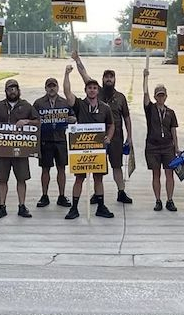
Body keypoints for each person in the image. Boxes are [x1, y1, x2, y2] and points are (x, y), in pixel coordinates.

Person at [74, 52, 134, 204]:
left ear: (114, 80)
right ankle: (97, 194)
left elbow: (126, 117)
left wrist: (130, 136)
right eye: (106, 77)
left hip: (116, 137)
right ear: (102, 79)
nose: (108, 79)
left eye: (111, 77)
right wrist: (77, 59)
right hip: (95, 137)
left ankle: (121, 192)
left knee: (116, 165)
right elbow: (84, 74)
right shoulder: (96, 91)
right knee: (96, 167)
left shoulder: (120, 97)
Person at [63, 65, 115, 219]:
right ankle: (74, 208)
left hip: (98, 149)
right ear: (86, 90)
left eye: (94, 88)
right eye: (89, 88)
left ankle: (100, 206)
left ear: (98, 91)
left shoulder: (105, 108)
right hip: (81, 150)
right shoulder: (80, 104)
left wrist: (109, 137)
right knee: (79, 178)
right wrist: (66, 74)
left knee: (98, 178)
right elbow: (67, 93)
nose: (92, 90)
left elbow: (111, 124)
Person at [0, 79, 39, 219]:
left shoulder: (27, 106)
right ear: (5, 91)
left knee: (21, 179)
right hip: (3, 150)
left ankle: (22, 206)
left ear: (19, 90)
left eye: (14, 88)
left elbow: (38, 121)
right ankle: (2, 206)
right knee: (2, 179)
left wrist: (27, 121)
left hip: (21, 149)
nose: (12, 91)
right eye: (9, 89)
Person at [142, 66, 179, 211]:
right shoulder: (150, 109)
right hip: (153, 146)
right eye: (158, 95)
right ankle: (158, 200)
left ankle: (170, 200)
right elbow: (145, 95)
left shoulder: (170, 112)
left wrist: (176, 147)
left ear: (166, 96)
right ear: (155, 96)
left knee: (169, 173)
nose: (160, 97)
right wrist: (145, 78)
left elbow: (174, 130)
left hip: (168, 146)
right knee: (155, 173)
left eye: (163, 95)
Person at [32, 76, 72, 208]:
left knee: (61, 168)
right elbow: (33, 119)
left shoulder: (65, 102)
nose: (51, 88)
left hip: (60, 139)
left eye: (54, 86)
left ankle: (62, 195)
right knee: (45, 169)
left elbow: (73, 116)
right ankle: (44, 195)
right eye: (49, 86)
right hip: (45, 140)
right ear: (45, 88)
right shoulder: (38, 103)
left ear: (57, 87)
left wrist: (72, 119)